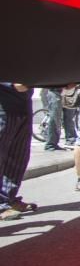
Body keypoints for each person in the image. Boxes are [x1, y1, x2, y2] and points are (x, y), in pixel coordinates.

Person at [0, 82, 34, 221]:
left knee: (18, 156)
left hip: (23, 104)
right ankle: (2, 204)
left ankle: (8, 198)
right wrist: (9, 84)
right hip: (3, 104)